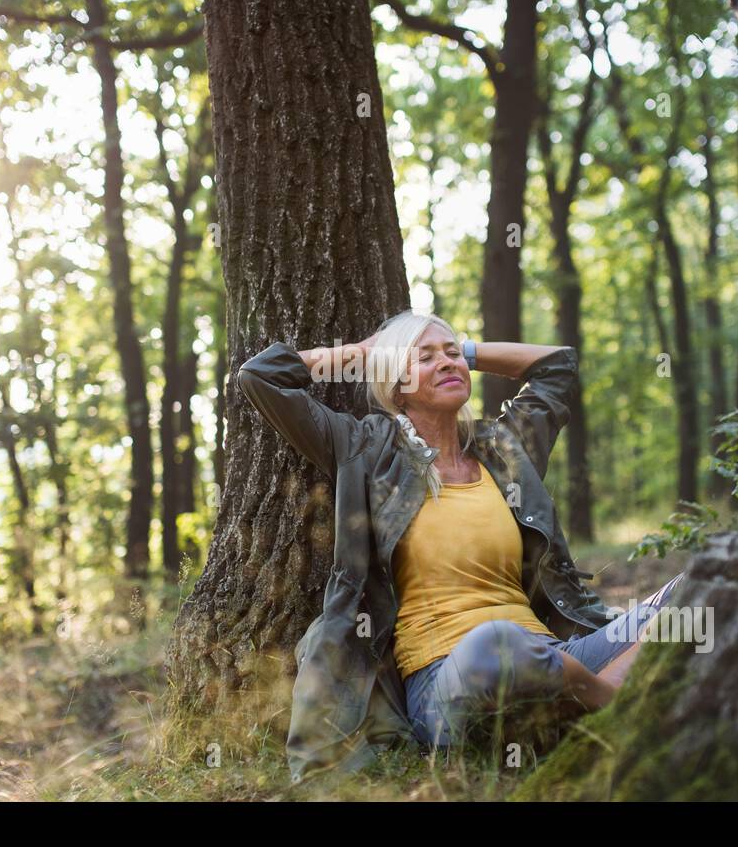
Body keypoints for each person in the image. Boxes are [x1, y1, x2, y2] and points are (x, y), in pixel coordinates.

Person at [289, 309, 687, 753]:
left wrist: (466, 354)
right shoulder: (365, 450)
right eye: (424, 358)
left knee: (700, 589)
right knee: (496, 643)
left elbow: (557, 366)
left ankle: (582, 695)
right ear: (395, 386)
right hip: (450, 682)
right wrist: (362, 354)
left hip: (554, 655)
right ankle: (611, 696)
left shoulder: (504, 451)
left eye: (451, 353)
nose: (446, 362)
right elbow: (259, 378)